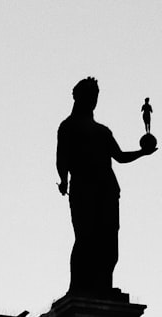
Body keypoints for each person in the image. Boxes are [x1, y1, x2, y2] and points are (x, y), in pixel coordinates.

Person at [56, 77, 155, 297]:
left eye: (95, 97)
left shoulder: (102, 131)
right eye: (89, 96)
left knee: (109, 241)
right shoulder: (68, 126)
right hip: (83, 188)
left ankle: (103, 285)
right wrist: (63, 179)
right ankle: (78, 287)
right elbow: (61, 157)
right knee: (85, 238)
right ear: (78, 97)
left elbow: (119, 156)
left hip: (107, 190)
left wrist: (142, 153)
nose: (93, 101)